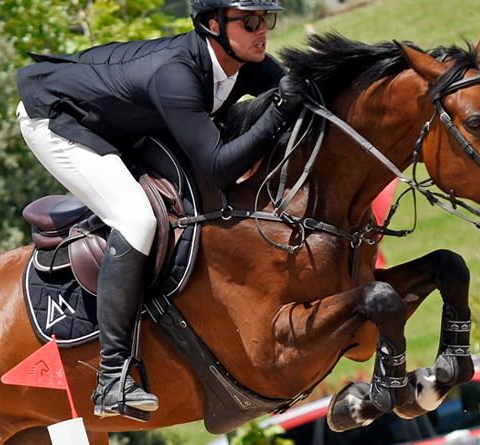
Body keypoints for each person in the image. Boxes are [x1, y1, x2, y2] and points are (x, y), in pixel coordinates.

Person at [15, 0, 306, 420]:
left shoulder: (249, 62)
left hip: (121, 121)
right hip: (58, 119)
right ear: (213, 24)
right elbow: (219, 167)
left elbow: (299, 96)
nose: (264, 30)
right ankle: (111, 377)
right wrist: (278, 110)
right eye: (252, 20)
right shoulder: (177, 75)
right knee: (135, 218)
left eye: (267, 19)